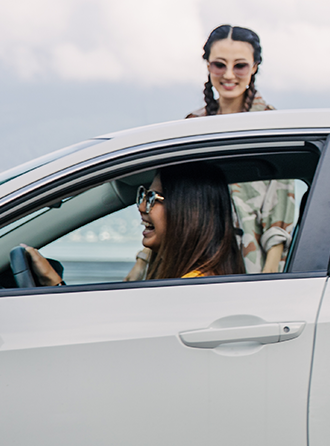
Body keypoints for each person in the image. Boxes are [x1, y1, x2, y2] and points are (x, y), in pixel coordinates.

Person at [176, 24, 296, 276]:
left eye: (239, 65)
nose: (229, 74)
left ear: (254, 68)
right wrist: (143, 260)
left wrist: (270, 273)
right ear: (208, 65)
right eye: (219, 64)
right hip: (195, 263)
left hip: (249, 266)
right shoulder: (192, 124)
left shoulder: (272, 125)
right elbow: (174, 197)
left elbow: (280, 210)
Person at [27, 163, 246, 286]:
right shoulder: (192, 280)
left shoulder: (191, 287)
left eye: (153, 198)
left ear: (189, 210)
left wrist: (55, 286)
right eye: (144, 195)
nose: (141, 207)